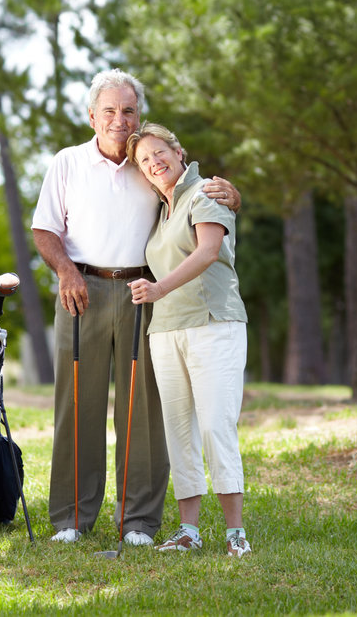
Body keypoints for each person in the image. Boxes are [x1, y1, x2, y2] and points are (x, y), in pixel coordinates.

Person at [30, 69, 240, 545]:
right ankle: (70, 519)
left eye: (128, 111)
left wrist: (232, 194)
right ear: (92, 116)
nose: (119, 120)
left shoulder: (150, 164)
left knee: (144, 410)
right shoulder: (67, 162)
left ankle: (139, 522)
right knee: (76, 406)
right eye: (110, 111)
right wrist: (64, 271)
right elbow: (44, 230)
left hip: (142, 293)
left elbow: (194, 196)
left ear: (138, 116)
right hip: (79, 289)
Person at [126, 123, 251, 558]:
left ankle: (236, 533)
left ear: (179, 152)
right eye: (144, 160)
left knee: (216, 425)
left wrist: (158, 288)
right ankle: (188, 530)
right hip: (165, 331)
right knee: (178, 430)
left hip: (214, 323)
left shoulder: (206, 193)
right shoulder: (161, 210)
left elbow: (208, 251)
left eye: (159, 152)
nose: (154, 162)